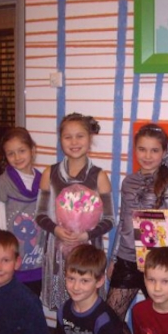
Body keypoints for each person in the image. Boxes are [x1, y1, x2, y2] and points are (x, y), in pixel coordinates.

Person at [35, 113, 115, 311]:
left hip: (88, 253)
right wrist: (56, 229)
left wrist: (86, 234)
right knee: (62, 307)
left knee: (88, 308)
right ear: (60, 140)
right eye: (67, 137)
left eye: (80, 136)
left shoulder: (99, 176)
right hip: (57, 254)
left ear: (90, 139)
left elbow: (110, 219)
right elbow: (40, 214)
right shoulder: (50, 174)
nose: (74, 142)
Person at [107, 123, 168, 321]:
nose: (148, 156)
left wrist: (166, 263)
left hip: (156, 265)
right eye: (142, 149)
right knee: (112, 318)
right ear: (135, 150)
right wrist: (114, 259)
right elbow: (123, 222)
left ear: (164, 153)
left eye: (154, 150)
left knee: (160, 319)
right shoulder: (128, 182)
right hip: (126, 259)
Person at [33, 245, 132, 334]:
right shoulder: (64, 311)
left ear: (99, 281)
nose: (76, 287)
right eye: (71, 278)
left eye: (84, 281)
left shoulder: (105, 320)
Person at [0, 127, 44, 295]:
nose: (17, 157)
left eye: (22, 151)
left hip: (38, 256)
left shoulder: (44, 181)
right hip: (11, 259)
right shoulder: (1, 184)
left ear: (32, 150)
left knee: (34, 300)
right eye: (11, 153)